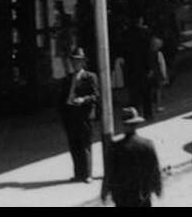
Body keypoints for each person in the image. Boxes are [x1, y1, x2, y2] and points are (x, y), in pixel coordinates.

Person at [102, 107, 162, 208]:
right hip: (142, 195)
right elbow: (155, 169)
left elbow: (109, 172)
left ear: (123, 125)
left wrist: (104, 191)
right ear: (136, 125)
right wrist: (158, 187)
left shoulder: (115, 147)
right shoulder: (147, 145)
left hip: (122, 196)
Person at [59, 47, 99, 183]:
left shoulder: (90, 77)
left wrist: (83, 100)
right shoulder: (67, 79)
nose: (75, 64)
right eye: (74, 61)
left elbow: (95, 95)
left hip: (83, 115)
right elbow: (62, 97)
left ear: (83, 63)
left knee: (85, 144)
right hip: (70, 115)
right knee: (74, 144)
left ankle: (87, 174)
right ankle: (78, 173)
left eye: (78, 61)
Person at [124, 17, 156, 121]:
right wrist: (150, 67)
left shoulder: (127, 33)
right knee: (146, 92)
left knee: (134, 93)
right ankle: (148, 114)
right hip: (143, 66)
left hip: (132, 67)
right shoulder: (145, 33)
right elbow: (148, 51)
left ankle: (135, 114)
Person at [150, 36, 169, 113]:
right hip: (157, 74)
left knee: (151, 90)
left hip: (150, 74)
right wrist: (165, 75)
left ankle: (151, 106)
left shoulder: (148, 53)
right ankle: (158, 106)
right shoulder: (159, 53)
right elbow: (162, 65)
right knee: (158, 90)